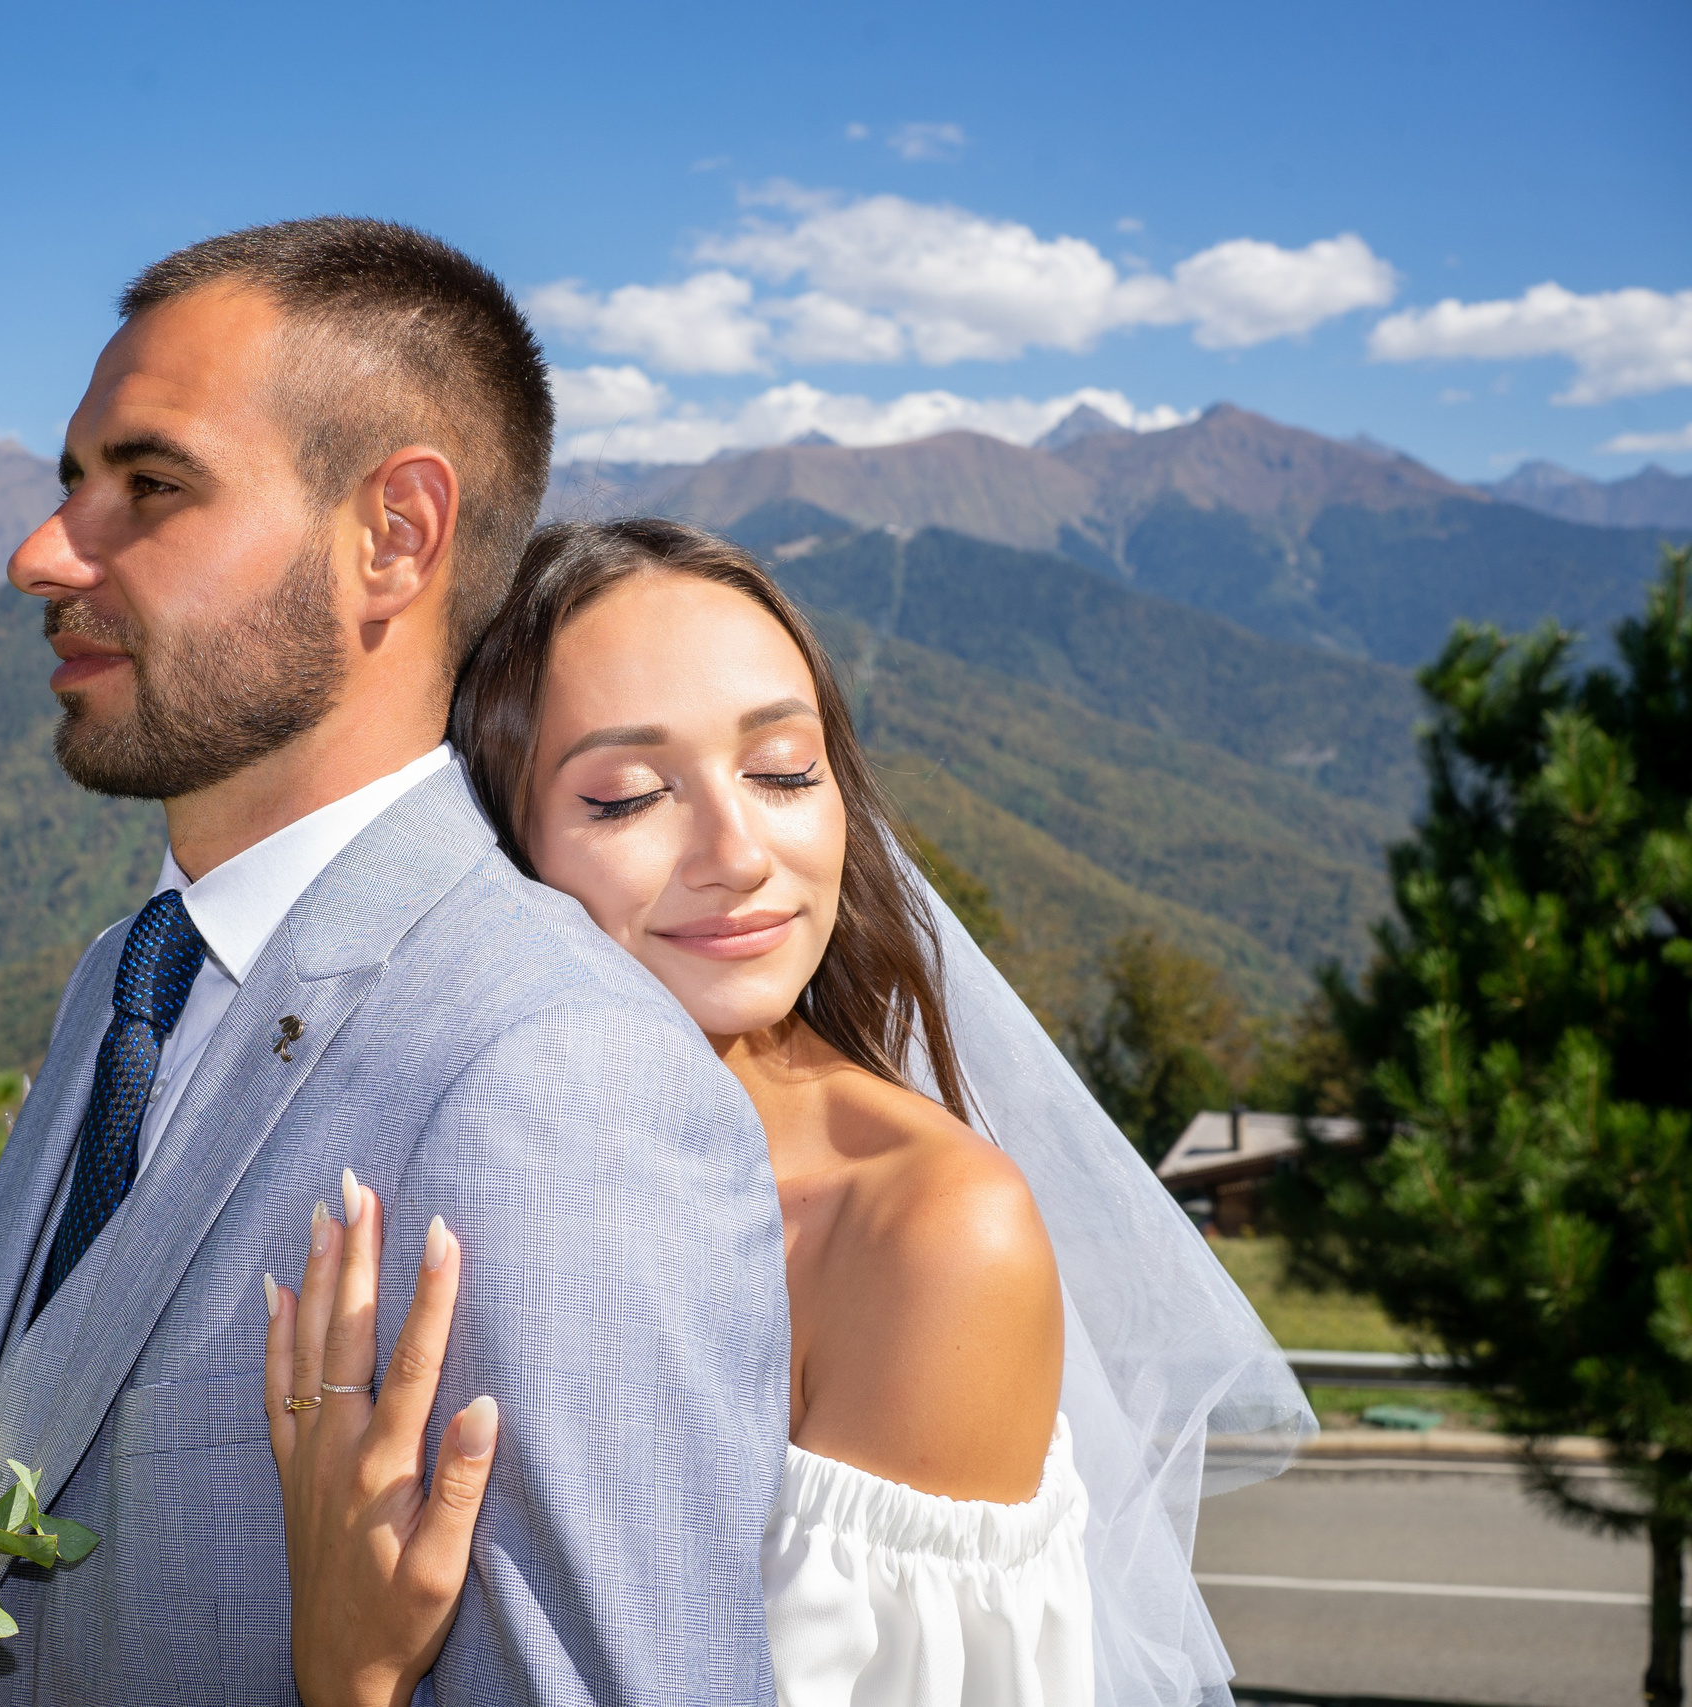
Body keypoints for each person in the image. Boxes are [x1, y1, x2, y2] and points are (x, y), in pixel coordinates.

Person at [0, 224, 792, 1705]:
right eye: (71, 481)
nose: (44, 551)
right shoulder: (123, 984)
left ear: (394, 533)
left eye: (150, 484)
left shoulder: (557, 1073)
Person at [262, 519, 1313, 1707]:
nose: (737, 852)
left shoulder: (926, 1237)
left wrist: (351, 1680)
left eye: (781, 772)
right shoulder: (426, 1178)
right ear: (504, 851)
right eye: (627, 796)